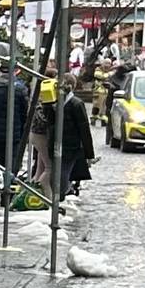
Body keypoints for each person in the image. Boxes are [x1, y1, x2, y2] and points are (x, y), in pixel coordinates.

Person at [48, 70, 96, 202]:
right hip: (71, 144)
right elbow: (84, 128)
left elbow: (50, 123)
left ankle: (59, 194)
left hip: (55, 141)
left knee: (57, 169)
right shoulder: (76, 103)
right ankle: (60, 198)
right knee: (64, 170)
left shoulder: (54, 101)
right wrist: (89, 153)